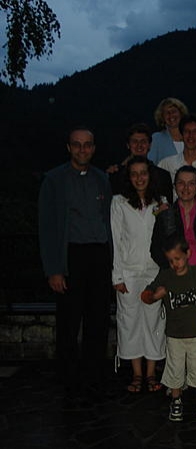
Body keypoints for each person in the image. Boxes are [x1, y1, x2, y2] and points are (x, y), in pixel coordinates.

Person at [38, 126, 112, 392]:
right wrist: (54, 269)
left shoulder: (102, 178)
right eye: (77, 144)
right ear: (69, 147)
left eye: (87, 144)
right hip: (71, 255)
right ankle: (68, 376)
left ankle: (94, 374)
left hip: (99, 255)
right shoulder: (54, 180)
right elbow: (47, 227)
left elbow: (108, 220)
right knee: (69, 321)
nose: (83, 149)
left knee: (98, 319)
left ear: (93, 148)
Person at [141, 235, 196, 421]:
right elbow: (146, 295)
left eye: (178, 259)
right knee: (175, 369)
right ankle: (176, 400)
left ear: (188, 254)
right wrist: (155, 296)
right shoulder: (166, 276)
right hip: (174, 335)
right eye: (171, 260)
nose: (175, 264)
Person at [111, 156, 166, 393]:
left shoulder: (160, 202)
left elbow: (166, 241)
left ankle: (151, 373)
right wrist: (117, 276)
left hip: (154, 272)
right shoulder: (119, 202)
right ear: (129, 177)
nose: (139, 178)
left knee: (154, 322)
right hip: (129, 272)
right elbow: (116, 240)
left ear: (150, 175)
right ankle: (136, 373)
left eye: (143, 173)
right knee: (129, 322)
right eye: (134, 174)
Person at [151, 165, 196, 269]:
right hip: (174, 273)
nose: (186, 188)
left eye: (191, 183)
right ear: (174, 186)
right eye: (181, 183)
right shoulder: (164, 216)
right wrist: (173, 268)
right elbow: (156, 251)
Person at [107, 123, 173, 204]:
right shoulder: (116, 176)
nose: (139, 145)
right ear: (128, 145)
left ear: (150, 145)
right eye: (135, 141)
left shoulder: (163, 176)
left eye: (143, 141)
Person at [158, 114, 196, 197]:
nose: (191, 136)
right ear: (181, 135)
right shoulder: (166, 165)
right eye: (187, 131)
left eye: (195, 132)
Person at [148, 97, 188, 164]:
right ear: (162, 117)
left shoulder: (192, 137)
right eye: (167, 113)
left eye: (173, 111)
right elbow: (149, 164)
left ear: (181, 113)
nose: (171, 115)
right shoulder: (157, 139)